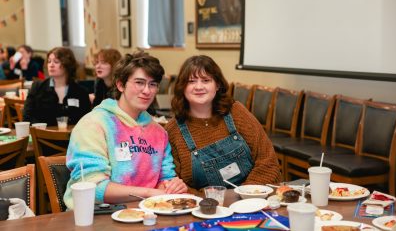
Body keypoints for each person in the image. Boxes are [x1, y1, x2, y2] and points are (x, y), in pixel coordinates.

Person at [63, 51, 187, 209]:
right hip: (95, 216)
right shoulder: (93, 124)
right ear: (120, 85)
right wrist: (149, 193)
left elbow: (166, 178)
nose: (147, 91)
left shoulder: (159, 132)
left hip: (147, 214)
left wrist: (172, 186)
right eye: (139, 82)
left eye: (153, 84)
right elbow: (92, 187)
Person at [165, 55, 281, 193]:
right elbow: (177, 186)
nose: (199, 87)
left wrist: (244, 195)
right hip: (205, 207)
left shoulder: (237, 113)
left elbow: (267, 161)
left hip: (252, 199)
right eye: (191, 81)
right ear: (182, 87)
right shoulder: (173, 131)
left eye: (206, 80)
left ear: (217, 85)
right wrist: (211, 201)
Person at [23, 47, 91, 126]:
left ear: (67, 64)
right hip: (42, 136)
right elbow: (27, 117)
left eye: (56, 61)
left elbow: (86, 121)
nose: (51, 65)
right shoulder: (37, 87)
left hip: (71, 136)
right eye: (49, 61)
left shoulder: (81, 92)